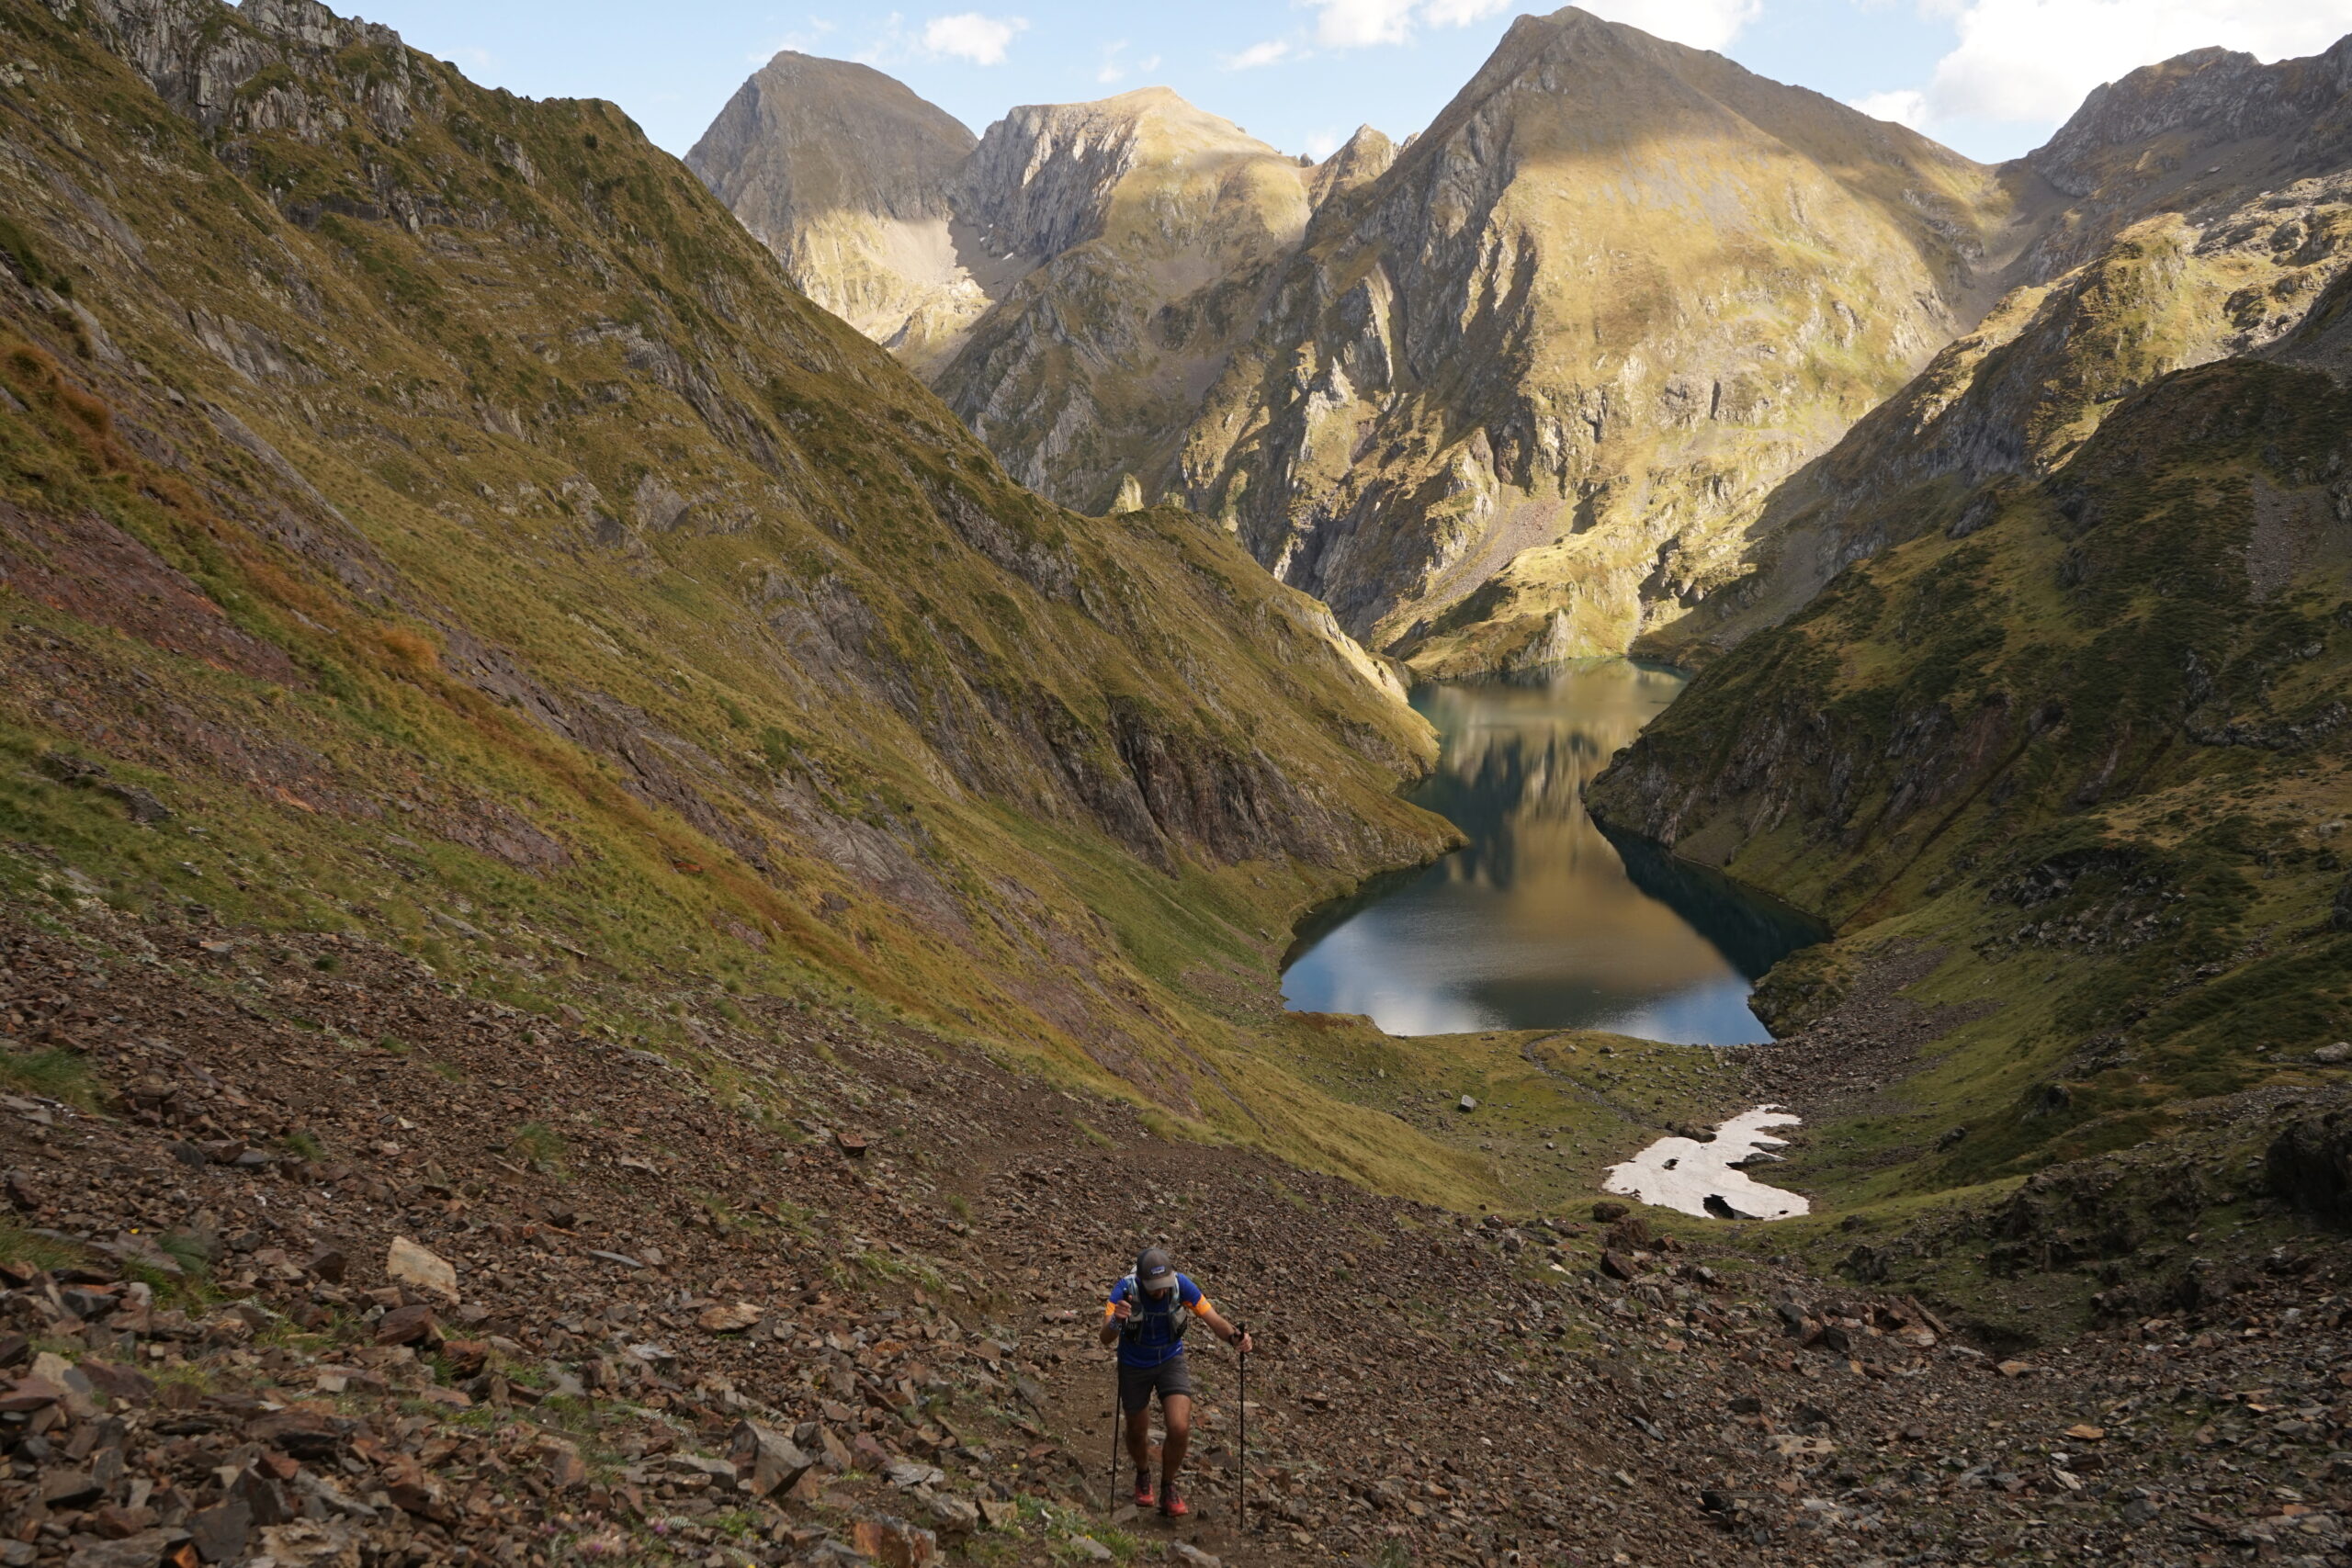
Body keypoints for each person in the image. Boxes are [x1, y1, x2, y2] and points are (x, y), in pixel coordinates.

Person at [1101, 1246, 1253, 1517]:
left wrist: (1235, 1338)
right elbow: (1104, 1337)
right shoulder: (1123, 1290)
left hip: (1171, 1360)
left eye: (1163, 1285)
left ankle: (1168, 1485)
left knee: (1180, 1427)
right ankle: (1143, 1474)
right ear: (1142, 1282)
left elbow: (1213, 1319)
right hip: (1133, 1363)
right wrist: (1116, 1322)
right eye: (1154, 1287)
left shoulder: (1181, 1285)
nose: (1160, 1291)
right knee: (1137, 1429)